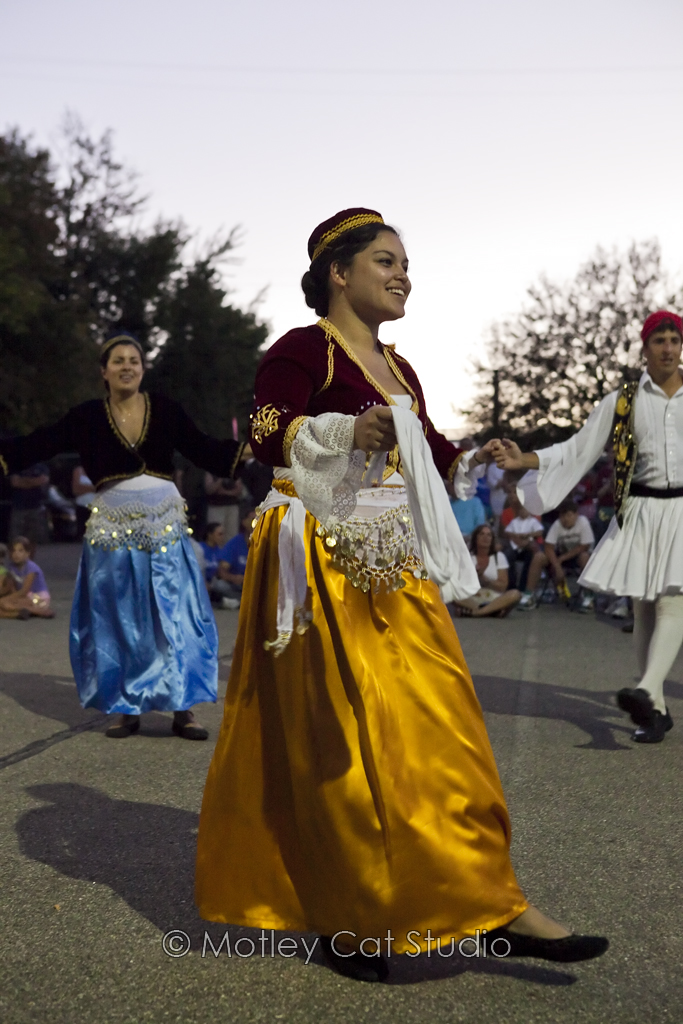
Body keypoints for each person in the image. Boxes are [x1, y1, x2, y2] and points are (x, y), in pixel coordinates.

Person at [195, 207, 607, 982]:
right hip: (318, 559)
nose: (401, 275)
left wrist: (486, 459)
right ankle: (353, 916)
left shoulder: (401, 368)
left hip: (392, 560)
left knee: (445, 728)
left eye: (404, 263)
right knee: (345, 746)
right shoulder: (301, 348)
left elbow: (432, 452)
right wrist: (346, 432)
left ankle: (488, 900)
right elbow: (265, 430)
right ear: (337, 272)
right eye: (385, 261)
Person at [0, 331, 244, 740]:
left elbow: (203, 448)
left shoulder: (165, 409)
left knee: (174, 614)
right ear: (104, 371)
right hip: (112, 529)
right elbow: (40, 442)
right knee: (120, 616)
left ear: (143, 369)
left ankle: (182, 707)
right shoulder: (86, 417)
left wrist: (259, 448)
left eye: (134, 360)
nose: (127, 366)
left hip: (164, 523)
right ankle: (126, 706)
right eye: (118, 361)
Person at [495, 310, 683, 744]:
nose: (668, 348)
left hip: (681, 509)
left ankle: (647, 690)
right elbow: (578, 448)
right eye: (659, 340)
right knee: (644, 605)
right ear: (645, 348)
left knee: (673, 601)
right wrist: (525, 460)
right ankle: (655, 710)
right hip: (640, 509)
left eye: (674, 339)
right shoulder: (623, 399)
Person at [521, 499, 595, 611]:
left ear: (576, 515)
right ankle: (528, 595)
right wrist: (557, 567)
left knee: (584, 557)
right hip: (561, 556)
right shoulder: (557, 524)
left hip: (578, 556)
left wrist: (562, 559)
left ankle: (588, 597)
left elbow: (584, 546)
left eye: (569, 515)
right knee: (539, 557)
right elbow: (548, 547)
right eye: (563, 516)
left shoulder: (583, 522)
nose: (566, 519)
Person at [451, 523, 521, 618]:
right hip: (472, 597)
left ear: (492, 539)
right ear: (475, 538)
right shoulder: (467, 557)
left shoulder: (499, 557)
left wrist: (484, 579)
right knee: (450, 591)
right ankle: (491, 611)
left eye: (489, 535)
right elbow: (459, 583)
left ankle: (477, 613)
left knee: (515, 594)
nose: (485, 537)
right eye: (482, 534)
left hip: (494, 598)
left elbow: (503, 587)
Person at [0, 537, 53, 619]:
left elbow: (24, 591)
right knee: (4, 605)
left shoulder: (31, 568)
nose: (16, 554)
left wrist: (6, 599)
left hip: (38, 598)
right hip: (26, 597)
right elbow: (13, 587)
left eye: (20, 551)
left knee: (4, 603)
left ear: (28, 553)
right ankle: (20, 614)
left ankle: (38, 611)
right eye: (13, 551)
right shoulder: (11, 567)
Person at [504, 501, 544, 596]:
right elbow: (507, 532)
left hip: (528, 547)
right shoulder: (514, 521)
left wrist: (528, 535)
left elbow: (540, 532)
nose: (523, 511)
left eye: (525, 509)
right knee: (507, 556)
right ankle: (511, 585)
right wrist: (516, 536)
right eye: (521, 509)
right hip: (515, 546)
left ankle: (523, 586)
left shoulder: (533, 521)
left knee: (530, 558)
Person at [9, 463, 51, 546]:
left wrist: (24, 480)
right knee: (16, 538)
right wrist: (34, 481)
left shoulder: (41, 466)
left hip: (36, 506)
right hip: (19, 506)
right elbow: (15, 482)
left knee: (34, 538)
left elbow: (44, 481)